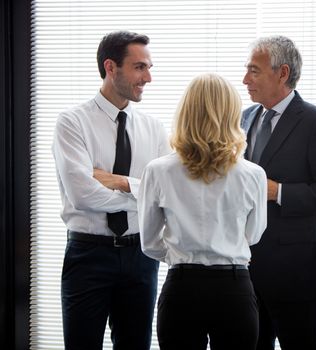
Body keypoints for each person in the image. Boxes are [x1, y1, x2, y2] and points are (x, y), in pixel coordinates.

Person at [52, 30, 171, 349]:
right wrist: (143, 194)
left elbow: (168, 195)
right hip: (89, 255)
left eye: (149, 67)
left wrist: (120, 182)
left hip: (141, 255)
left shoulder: (154, 129)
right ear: (111, 67)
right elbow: (83, 196)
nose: (148, 77)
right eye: (140, 67)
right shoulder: (72, 123)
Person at [138, 73, 267, 350]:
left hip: (182, 289)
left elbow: (149, 243)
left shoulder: (157, 171)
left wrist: (181, 254)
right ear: (231, 113)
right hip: (234, 290)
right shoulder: (253, 174)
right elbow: (253, 235)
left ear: (186, 112)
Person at [241, 35, 316, 350]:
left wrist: (278, 192)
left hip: (297, 275)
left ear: (283, 73)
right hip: (246, 272)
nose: (245, 80)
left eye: (254, 71)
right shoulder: (245, 118)